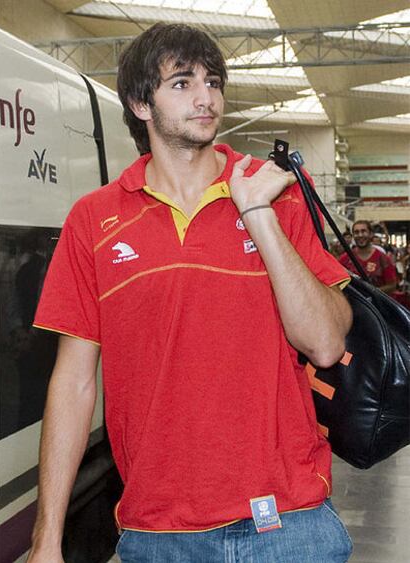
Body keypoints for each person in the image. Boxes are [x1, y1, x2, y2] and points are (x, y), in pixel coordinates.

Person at [28, 23, 353, 563]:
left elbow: (323, 342)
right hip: (158, 535)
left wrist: (257, 213)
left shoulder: (278, 195)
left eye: (213, 80)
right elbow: (74, 382)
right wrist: (47, 538)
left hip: (289, 524)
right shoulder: (94, 221)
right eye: (182, 83)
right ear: (140, 103)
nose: (206, 97)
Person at [339, 220, 397, 294]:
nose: (360, 235)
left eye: (363, 231)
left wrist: (371, 293)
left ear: (371, 234)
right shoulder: (345, 259)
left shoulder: (383, 258)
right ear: (353, 236)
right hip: (351, 304)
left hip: (375, 304)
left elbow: (392, 286)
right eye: (356, 232)